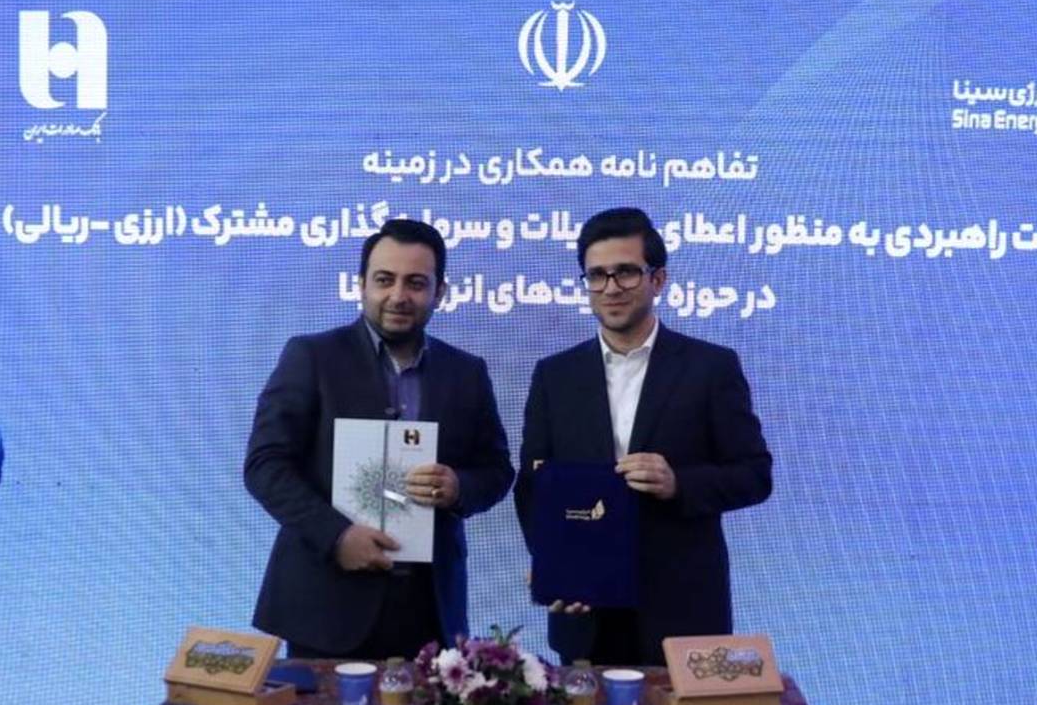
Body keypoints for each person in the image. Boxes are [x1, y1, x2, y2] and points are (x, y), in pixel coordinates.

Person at [245, 218, 514, 659]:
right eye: (384, 280)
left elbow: (497, 470)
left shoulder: (466, 372)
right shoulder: (312, 356)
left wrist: (459, 487)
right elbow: (265, 465)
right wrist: (336, 537)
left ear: (440, 292)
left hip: (428, 609)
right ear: (361, 285)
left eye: (416, 283)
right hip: (326, 605)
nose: (398, 296)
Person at [515, 207, 772, 666]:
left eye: (627, 272)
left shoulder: (711, 368)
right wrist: (554, 562)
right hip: (585, 612)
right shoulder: (555, 375)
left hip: (684, 610)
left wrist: (679, 483)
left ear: (658, 279)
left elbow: (755, 475)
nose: (611, 287)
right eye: (597, 275)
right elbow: (533, 486)